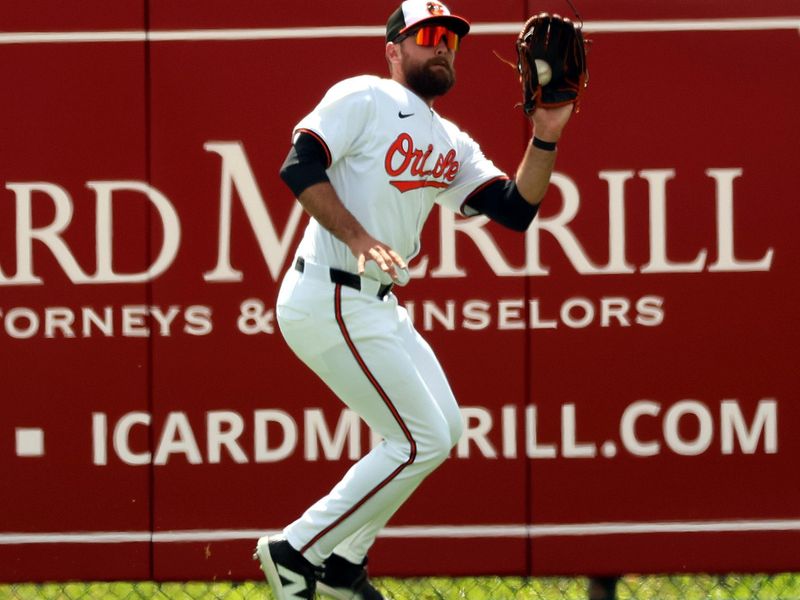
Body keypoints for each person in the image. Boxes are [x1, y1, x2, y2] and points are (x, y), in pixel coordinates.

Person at [254, 1, 575, 598]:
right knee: (418, 438)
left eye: (451, 37)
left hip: (374, 305)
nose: (442, 46)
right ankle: (296, 550)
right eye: (426, 35)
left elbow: (515, 208)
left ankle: (344, 563)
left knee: (444, 429)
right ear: (394, 50)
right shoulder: (365, 96)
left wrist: (546, 134)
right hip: (330, 290)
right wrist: (360, 238)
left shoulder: (448, 139)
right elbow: (299, 164)